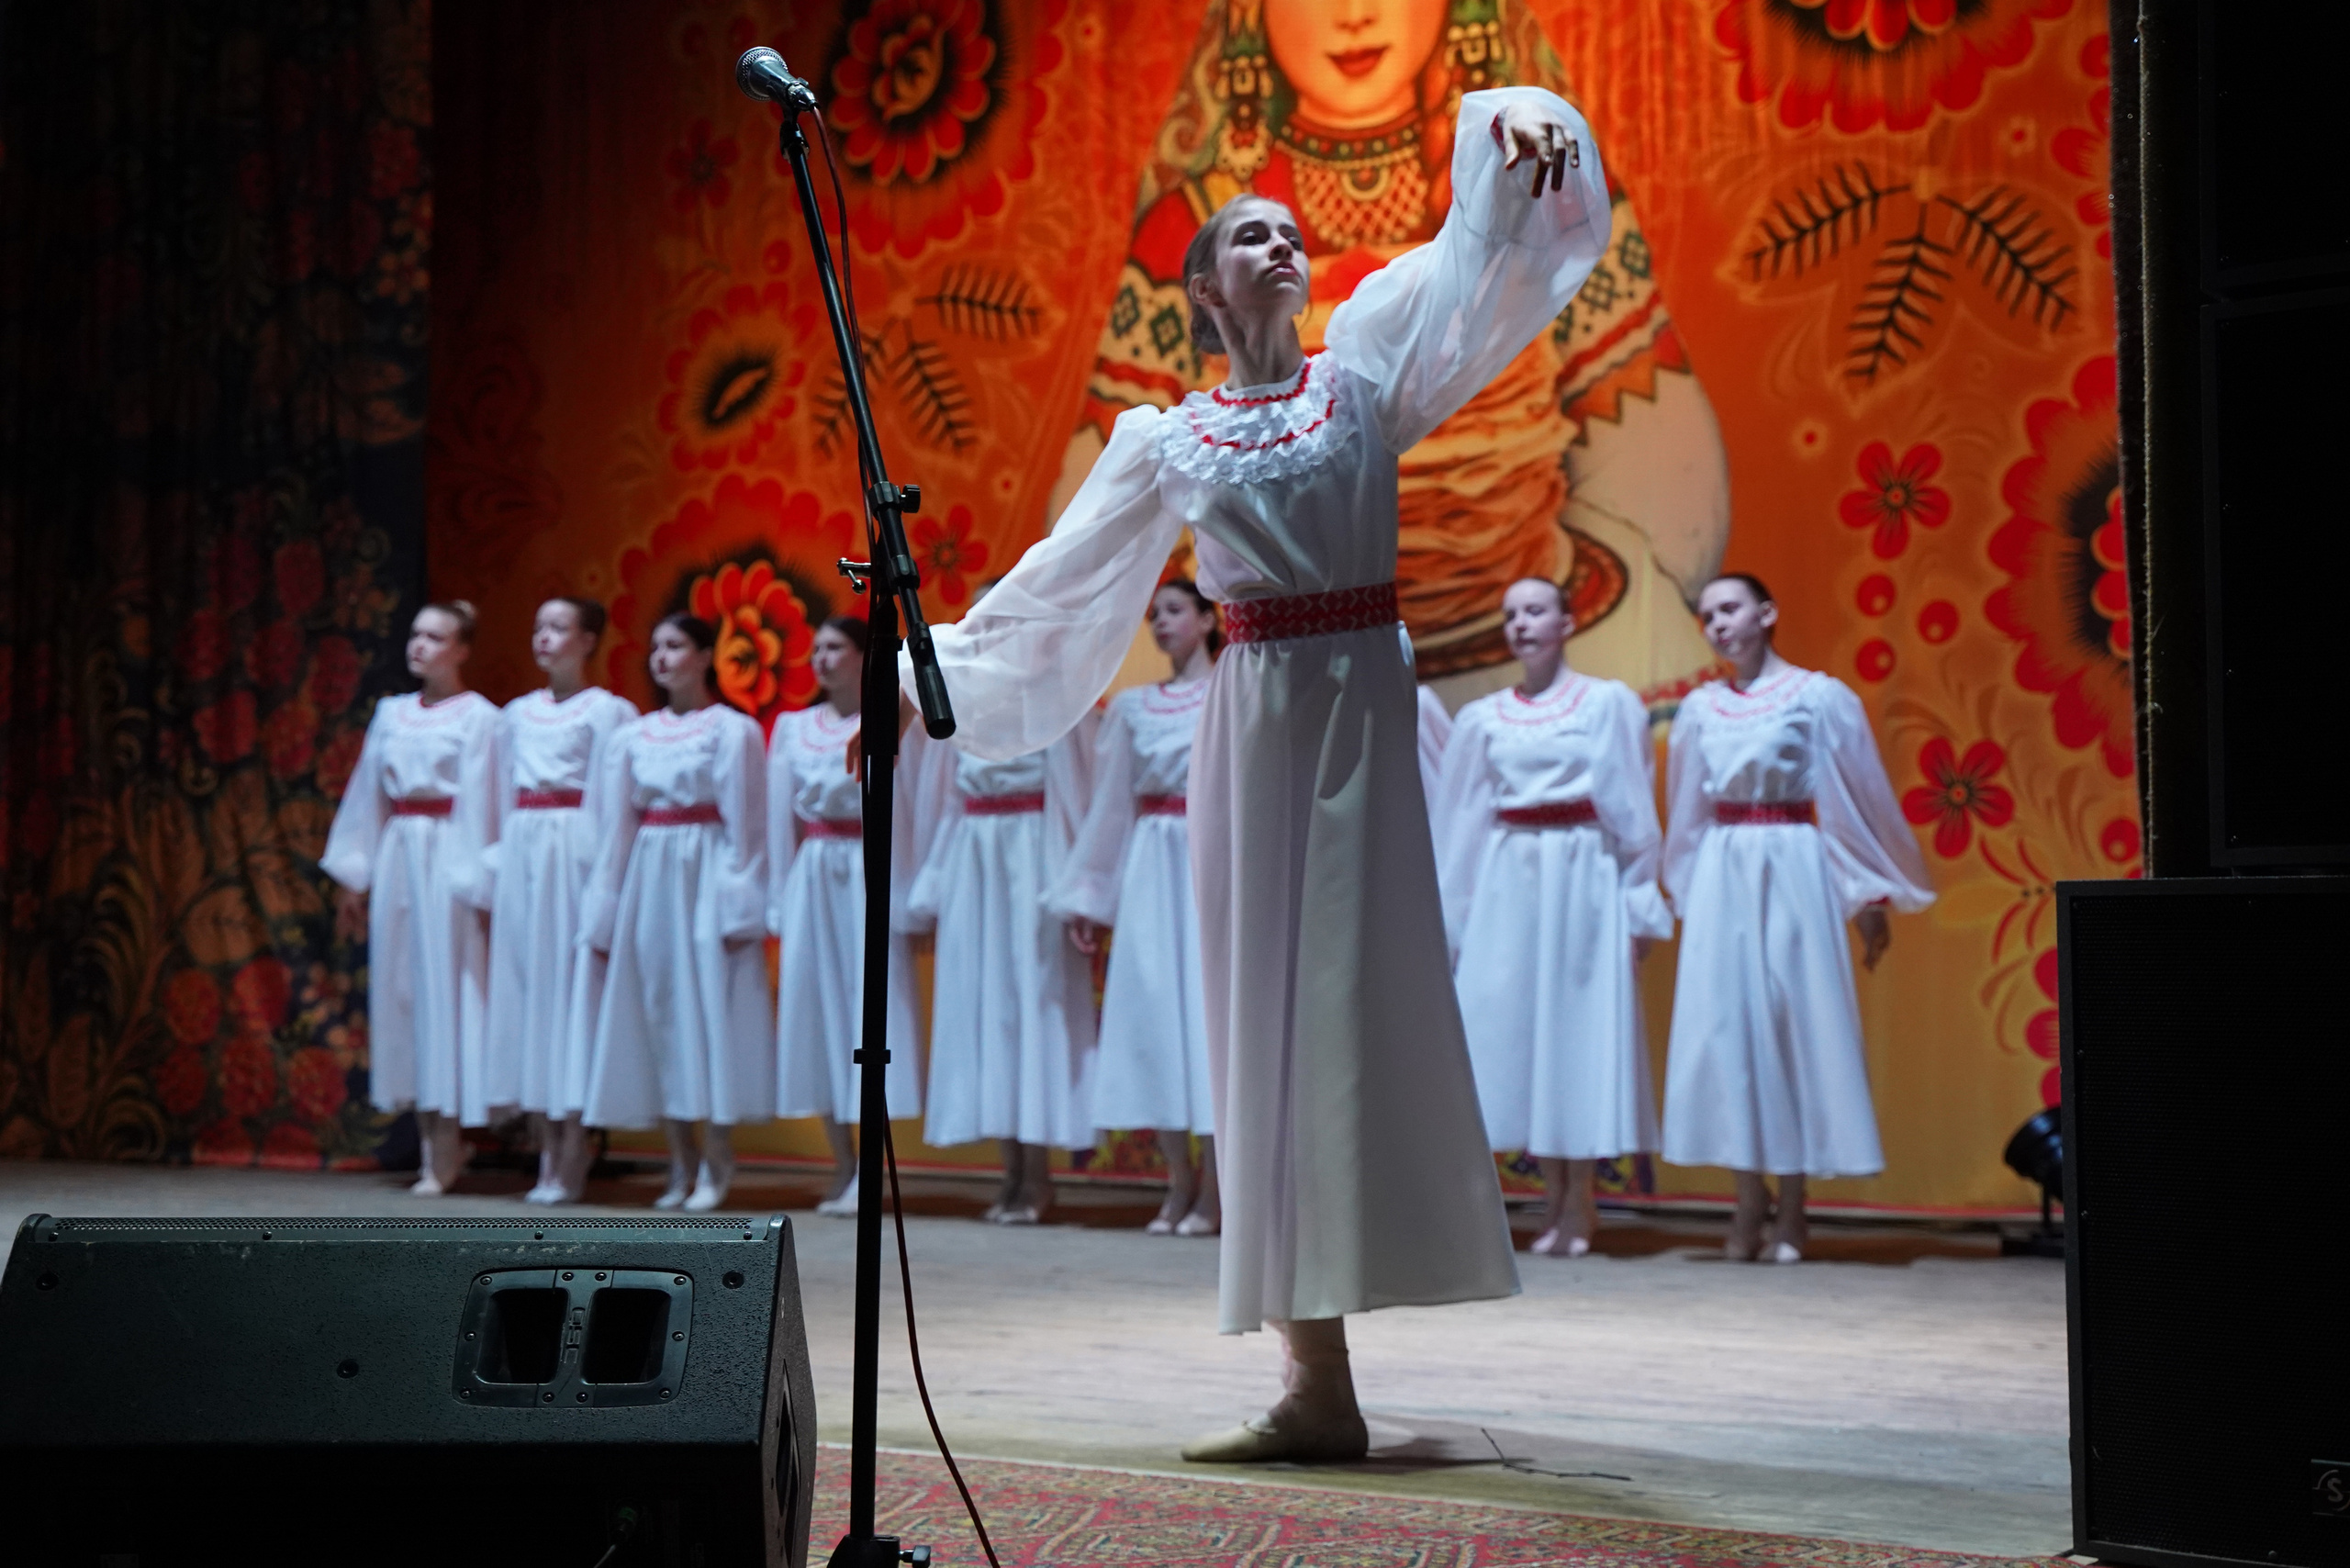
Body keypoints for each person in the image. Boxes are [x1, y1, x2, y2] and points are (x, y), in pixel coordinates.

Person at [895, 86, 1607, 1462]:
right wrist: (935, 663)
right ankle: (1315, 1384)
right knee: (1268, 1025)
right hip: (1258, 715)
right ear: (1205, 294)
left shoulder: (1362, 375)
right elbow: (1064, 585)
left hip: (1356, 705)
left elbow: (1474, 263)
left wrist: (1517, 157)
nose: (1286, 248)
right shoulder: (1167, 440)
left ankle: (1330, 1364)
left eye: (1293, 235)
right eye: (1253, 238)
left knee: (1356, 1013)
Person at [1660, 574, 1934, 1261]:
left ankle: (1794, 1203)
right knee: (1732, 1028)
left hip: (1792, 866)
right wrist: (1688, 893)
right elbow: (1687, 810)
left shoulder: (1817, 697)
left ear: (1768, 611)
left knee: (1791, 1024)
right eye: (1707, 616)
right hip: (1725, 870)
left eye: (1729, 609)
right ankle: (1746, 1199)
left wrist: (1866, 899)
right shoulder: (1700, 708)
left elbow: (1852, 802)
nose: (1717, 624)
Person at [1433, 577, 1670, 1257]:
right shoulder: (1483, 720)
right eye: (1510, 614)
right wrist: (1457, 922)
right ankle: (1548, 1202)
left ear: (1568, 621)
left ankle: (1580, 1202)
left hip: (1582, 878)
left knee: (1576, 1034)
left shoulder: (1606, 704)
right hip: (1511, 882)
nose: (1521, 624)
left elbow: (1632, 811)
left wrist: (1636, 901)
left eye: (1535, 611)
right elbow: (1461, 826)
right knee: (1521, 1035)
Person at [905, 622, 1098, 1226]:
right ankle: (1010, 1170)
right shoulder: (958, 704)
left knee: (1032, 1011)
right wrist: (931, 888)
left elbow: (1077, 796)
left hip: (1032, 859)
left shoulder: (1057, 698)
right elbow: (942, 802)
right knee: (985, 1012)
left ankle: (1038, 1175)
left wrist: (1076, 890)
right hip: (976, 862)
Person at [580, 612, 773, 1212]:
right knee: (658, 1010)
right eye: (656, 647)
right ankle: (677, 1163)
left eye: (675, 646)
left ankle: (717, 1161)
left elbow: (748, 825)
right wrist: (607, 903)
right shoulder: (633, 736)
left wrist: (739, 896)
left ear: (704, 656)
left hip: (704, 870)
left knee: (707, 1012)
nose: (661, 657)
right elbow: (616, 826)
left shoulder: (730, 730)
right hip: (650, 875)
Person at [1048, 579, 1221, 1238]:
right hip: (1152, 864)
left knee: (1209, 1022)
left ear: (1208, 619)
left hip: (1210, 857)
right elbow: (1109, 806)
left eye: (1175, 611)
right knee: (1157, 1021)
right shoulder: (1134, 707)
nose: (1161, 623)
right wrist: (1090, 897)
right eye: (1154, 615)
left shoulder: (1232, 691)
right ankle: (1179, 1182)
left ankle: (1220, 1193)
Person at [322, 600, 501, 1195]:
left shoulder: (479, 717)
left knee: (449, 993)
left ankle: (447, 1146)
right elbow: (368, 793)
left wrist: (479, 880)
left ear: (461, 648)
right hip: (401, 854)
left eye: (436, 636)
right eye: (416, 633)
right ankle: (429, 1141)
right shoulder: (392, 714)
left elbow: (486, 798)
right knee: (404, 991)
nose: (420, 644)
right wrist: (357, 874)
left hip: (450, 856)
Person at [768, 615, 923, 1219]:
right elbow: (779, 814)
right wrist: (780, 897)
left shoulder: (891, 719)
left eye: (835, 647)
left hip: (866, 871)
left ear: (862, 657)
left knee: (868, 1019)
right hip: (812, 870)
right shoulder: (793, 727)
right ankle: (841, 1163)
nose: (822, 658)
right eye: (816, 649)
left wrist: (907, 886)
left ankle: (872, 1170)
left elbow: (908, 807)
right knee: (816, 1017)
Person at [484, 598, 636, 1204]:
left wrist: (604, 883)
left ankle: (572, 1150)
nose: (544, 639)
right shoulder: (516, 715)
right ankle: (542, 1147)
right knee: (528, 997)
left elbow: (612, 802)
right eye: (537, 627)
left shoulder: (609, 713)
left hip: (575, 853)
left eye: (558, 628)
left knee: (571, 998)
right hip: (525, 853)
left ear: (589, 640)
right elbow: (499, 797)